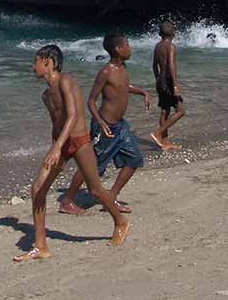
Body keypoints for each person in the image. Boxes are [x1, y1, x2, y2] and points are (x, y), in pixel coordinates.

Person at [14, 44, 129, 262]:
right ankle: (41, 246)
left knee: (95, 191)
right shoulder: (45, 95)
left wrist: (58, 149)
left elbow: (73, 115)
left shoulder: (65, 80)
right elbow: (56, 123)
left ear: (47, 61)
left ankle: (120, 221)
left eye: (35, 62)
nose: (32, 67)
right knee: (37, 188)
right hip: (61, 143)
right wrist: (55, 146)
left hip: (79, 141)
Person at [59, 33, 150, 215]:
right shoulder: (106, 72)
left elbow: (124, 86)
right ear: (118, 49)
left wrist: (143, 92)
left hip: (120, 126)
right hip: (106, 126)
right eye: (127, 45)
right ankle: (67, 200)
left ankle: (111, 197)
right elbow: (91, 101)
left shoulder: (122, 68)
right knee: (91, 166)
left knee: (134, 160)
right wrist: (100, 123)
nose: (130, 48)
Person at [150, 22, 185, 151]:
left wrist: (157, 79)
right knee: (181, 111)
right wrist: (175, 85)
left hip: (160, 79)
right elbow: (171, 65)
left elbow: (154, 65)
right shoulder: (171, 46)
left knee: (165, 110)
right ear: (172, 33)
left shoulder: (157, 46)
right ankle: (158, 133)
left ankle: (164, 142)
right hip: (168, 80)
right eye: (174, 29)